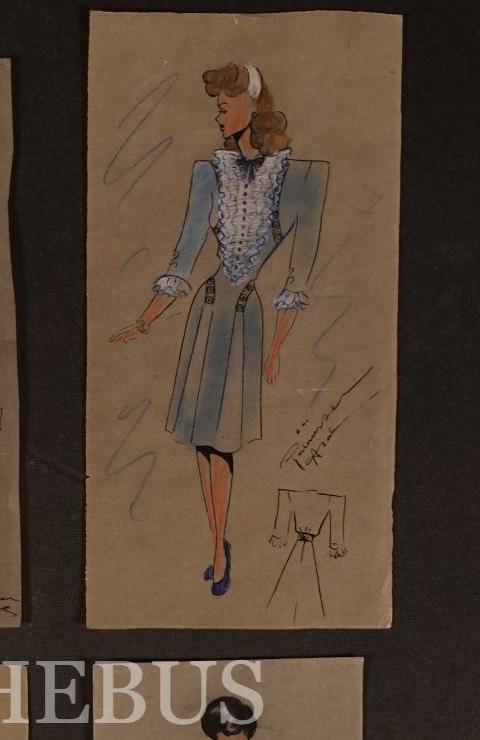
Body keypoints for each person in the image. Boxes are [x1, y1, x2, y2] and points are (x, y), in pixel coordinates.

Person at [111, 64, 328, 597]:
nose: (217, 115)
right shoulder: (209, 173)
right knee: (202, 444)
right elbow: (184, 257)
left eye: (224, 105)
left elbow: (298, 275)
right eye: (216, 107)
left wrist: (276, 348)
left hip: (244, 321)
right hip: (206, 315)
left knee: (223, 443)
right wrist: (144, 320)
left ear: (252, 108)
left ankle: (218, 547)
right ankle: (217, 541)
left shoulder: (301, 178)